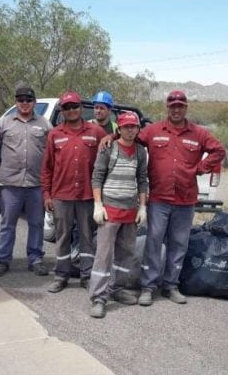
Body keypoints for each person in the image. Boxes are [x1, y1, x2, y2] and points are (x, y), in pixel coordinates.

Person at [137, 90, 225, 306]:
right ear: (167, 108)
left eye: (180, 106)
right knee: (153, 241)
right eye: (172, 106)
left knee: (178, 243)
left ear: (185, 108)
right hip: (158, 197)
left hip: (185, 199)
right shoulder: (153, 131)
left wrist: (202, 167)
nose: (176, 109)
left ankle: (170, 285)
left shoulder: (198, 133)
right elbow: (131, 140)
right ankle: (148, 286)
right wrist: (111, 137)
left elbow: (219, 151)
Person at [41, 91, 107, 293]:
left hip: (87, 195)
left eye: (75, 106)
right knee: (62, 236)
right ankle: (61, 275)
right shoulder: (55, 134)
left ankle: (87, 276)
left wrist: (112, 135)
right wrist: (47, 194)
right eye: (67, 107)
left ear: (81, 108)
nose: (71, 110)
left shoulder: (96, 132)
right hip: (62, 195)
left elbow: (111, 148)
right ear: (62, 110)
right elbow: (47, 168)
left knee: (87, 237)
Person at [88, 112, 148, 318]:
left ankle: (118, 289)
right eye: (126, 127)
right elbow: (96, 177)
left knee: (126, 254)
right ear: (118, 129)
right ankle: (98, 297)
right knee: (103, 255)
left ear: (138, 129)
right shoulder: (108, 148)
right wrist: (98, 204)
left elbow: (142, 180)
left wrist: (142, 207)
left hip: (130, 212)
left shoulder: (140, 152)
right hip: (110, 210)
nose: (130, 130)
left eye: (134, 127)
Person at [0, 83, 52, 277]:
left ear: (34, 102)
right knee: (8, 224)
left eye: (28, 100)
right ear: (16, 102)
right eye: (20, 100)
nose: (24, 103)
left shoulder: (44, 124)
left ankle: (35, 259)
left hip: (36, 184)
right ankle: (3, 260)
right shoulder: (4, 123)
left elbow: (52, 155)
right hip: (9, 184)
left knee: (36, 223)